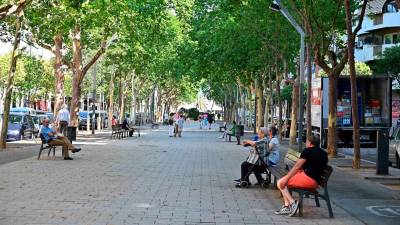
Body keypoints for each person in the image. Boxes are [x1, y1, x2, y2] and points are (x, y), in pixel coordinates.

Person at [275, 135, 328, 217]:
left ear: (310, 143)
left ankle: (292, 203)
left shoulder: (307, 151)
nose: (306, 143)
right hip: (316, 182)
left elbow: (297, 166)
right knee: (283, 181)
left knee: (281, 182)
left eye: (306, 142)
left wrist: (287, 177)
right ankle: (287, 206)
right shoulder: (324, 153)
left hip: (308, 180)